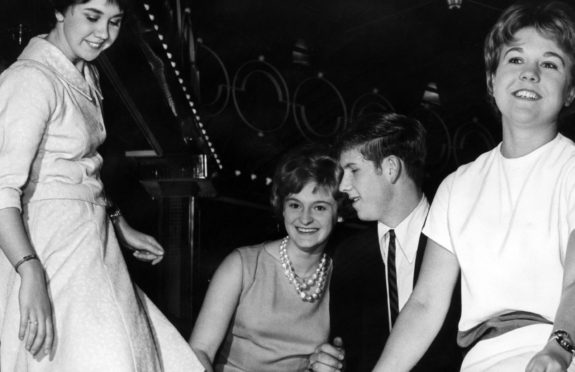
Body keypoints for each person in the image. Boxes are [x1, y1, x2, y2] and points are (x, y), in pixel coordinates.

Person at [0, 0, 203, 370]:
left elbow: (83, 170)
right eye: (92, 17)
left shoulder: (86, 74)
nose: (104, 35)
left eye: (115, 22)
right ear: (59, 10)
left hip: (91, 241)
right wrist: (28, 270)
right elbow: (1, 190)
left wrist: (119, 224)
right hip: (48, 247)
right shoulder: (28, 79)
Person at [373, 1, 575, 371]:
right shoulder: (457, 186)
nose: (530, 73)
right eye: (515, 60)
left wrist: (558, 350)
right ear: (491, 79)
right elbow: (424, 304)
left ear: (570, 91)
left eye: (550, 63)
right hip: (482, 361)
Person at [308, 112, 461, 372]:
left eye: (353, 170)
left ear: (391, 168)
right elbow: (345, 351)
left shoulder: (458, 239)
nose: (343, 186)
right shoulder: (348, 256)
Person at [189, 145, 344, 372]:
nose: (305, 218)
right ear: (282, 209)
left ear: (338, 213)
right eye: (294, 205)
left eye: (319, 207)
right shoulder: (241, 265)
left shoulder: (341, 274)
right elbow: (199, 350)